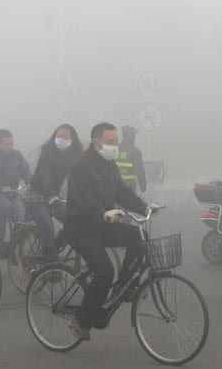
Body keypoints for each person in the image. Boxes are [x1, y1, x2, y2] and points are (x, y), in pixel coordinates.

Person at [63, 122, 158, 341]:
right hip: (80, 228)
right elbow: (83, 199)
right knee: (104, 272)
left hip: (101, 225)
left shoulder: (110, 165)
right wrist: (103, 213)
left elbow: (123, 192)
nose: (115, 146)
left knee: (137, 237)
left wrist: (145, 207)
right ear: (96, 143)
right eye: (110, 142)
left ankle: (122, 287)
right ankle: (81, 320)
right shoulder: (81, 166)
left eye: (116, 142)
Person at [26, 124, 83, 256]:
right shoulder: (47, 151)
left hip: (54, 197)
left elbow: (82, 176)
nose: (61, 139)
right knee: (47, 227)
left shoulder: (76, 155)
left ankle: (54, 247)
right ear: (54, 137)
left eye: (65, 137)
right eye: (58, 136)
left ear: (72, 139)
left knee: (74, 221)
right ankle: (48, 262)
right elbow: (45, 175)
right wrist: (51, 195)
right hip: (37, 196)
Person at [0, 129, 31, 243]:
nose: (10, 147)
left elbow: (26, 170)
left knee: (20, 217)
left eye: (11, 143)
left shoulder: (17, 155)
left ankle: (16, 244)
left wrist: (31, 183)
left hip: (12, 194)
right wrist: (0, 187)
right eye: (6, 144)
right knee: (4, 206)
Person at [115, 126, 148, 194]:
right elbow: (140, 170)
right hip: (129, 186)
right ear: (132, 137)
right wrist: (143, 187)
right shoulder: (135, 151)